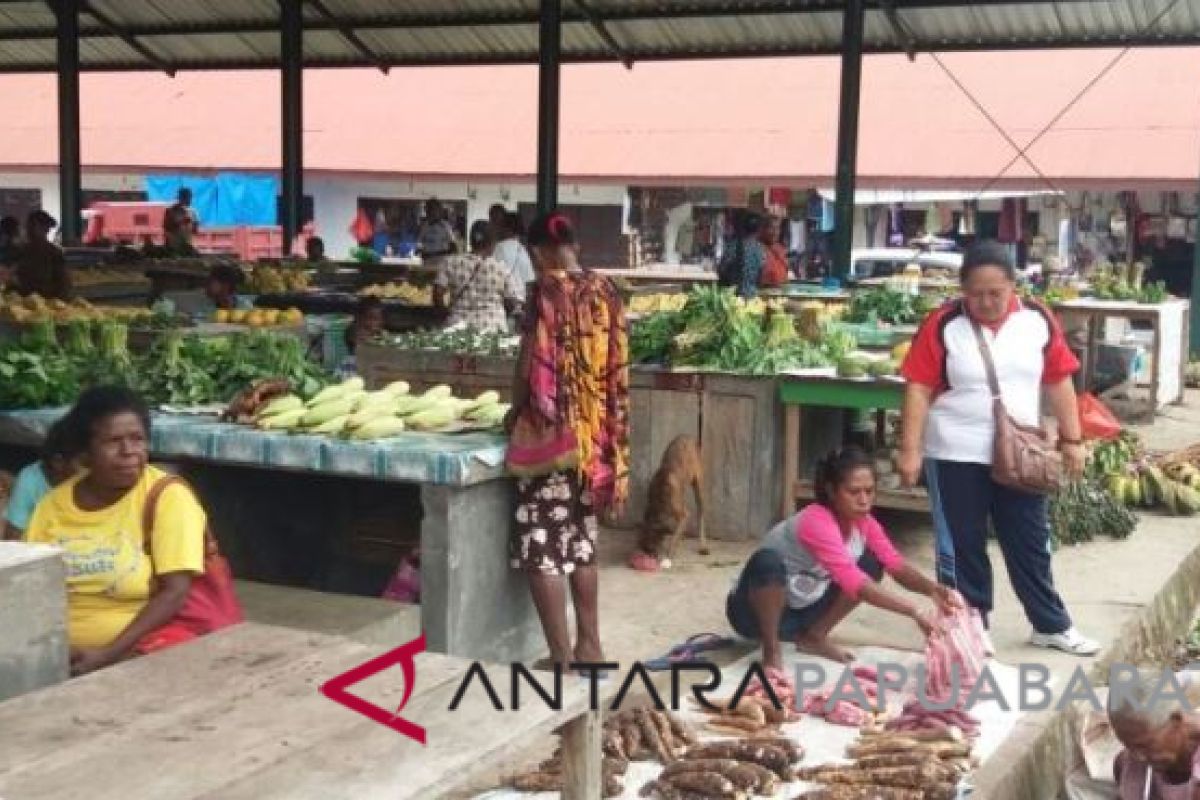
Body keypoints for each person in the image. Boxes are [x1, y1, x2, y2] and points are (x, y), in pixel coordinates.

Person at [897, 239, 1098, 657]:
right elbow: (918, 387)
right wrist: (910, 449)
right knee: (961, 544)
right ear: (962, 290)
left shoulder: (1038, 319)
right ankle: (971, 625)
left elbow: (1060, 379)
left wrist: (1073, 439)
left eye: (996, 292)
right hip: (954, 451)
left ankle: (1050, 623)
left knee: (1029, 539)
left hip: (1022, 451)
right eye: (976, 293)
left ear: (1014, 286)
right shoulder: (943, 323)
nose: (986, 302)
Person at [507, 210, 629, 667]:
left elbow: (529, 364)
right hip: (595, 434)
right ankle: (590, 647)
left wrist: (513, 408)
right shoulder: (606, 290)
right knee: (581, 538)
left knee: (542, 544)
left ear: (539, 251)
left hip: (552, 433)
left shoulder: (545, 293)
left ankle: (559, 655)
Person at [25, 387, 207, 675]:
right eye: (113, 441)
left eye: (137, 439)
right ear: (85, 452)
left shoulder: (166, 496)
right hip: (59, 656)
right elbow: (30, 590)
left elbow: (175, 592)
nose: (129, 452)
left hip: (141, 651)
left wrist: (109, 653)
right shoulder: (51, 506)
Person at [725, 447, 962, 669]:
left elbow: (896, 565)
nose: (864, 500)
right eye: (854, 492)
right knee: (767, 563)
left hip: (801, 614)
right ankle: (771, 653)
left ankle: (814, 637)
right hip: (751, 616)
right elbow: (855, 583)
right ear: (831, 490)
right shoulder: (815, 520)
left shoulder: (865, 524)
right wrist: (915, 611)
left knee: (872, 562)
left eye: (869, 491)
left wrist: (932, 590)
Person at [1108, 670, 1200, 799]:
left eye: (1144, 745)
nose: (1138, 756)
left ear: (1176, 720)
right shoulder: (1129, 763)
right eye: (1128, 745)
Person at [434, 220, 524, 333]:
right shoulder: (501, 268)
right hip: (492, 329)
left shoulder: (450, 262)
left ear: (471, 241)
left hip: (456, 328)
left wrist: (444, 313)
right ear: (493, 243)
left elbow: (437, 293)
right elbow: (512, 302)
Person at [2, 419, 81, 541]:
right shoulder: (30, 481)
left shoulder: (89, 480)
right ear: (58, 462)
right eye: (84, 462)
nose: (91, 467)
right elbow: (13, 536)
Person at [14, 210, 71, 300]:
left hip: (46, 302)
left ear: (44, 228)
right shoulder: (23, 250)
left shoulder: (53, 253)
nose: (28, 230)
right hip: (24, 303)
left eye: (31, 226)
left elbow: (64, 284)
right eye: (28, 226)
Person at [718, 212, 767, 298]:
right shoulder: (760, 249)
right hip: (751, 295)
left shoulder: (733, 246)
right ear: (758, 230)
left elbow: (721, 269)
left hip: (732, 295)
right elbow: (761, 274)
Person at [493, 211, 536, 287]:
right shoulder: (523, 250)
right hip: (520, 296)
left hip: (503, 295)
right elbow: (529, 279)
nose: (498, 230)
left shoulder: (499, 247)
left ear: (507, 228)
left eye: (500, 226)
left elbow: (492, 273)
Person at [418, 199, 457, 266]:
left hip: (443, 259)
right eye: (429, 210)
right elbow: (419, 243)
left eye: (434, 210)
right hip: (428, 259)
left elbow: (453, 245)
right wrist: (421, 252)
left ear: (439, 211)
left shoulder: (445, 226)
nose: (431, 212)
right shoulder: (424, 226)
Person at [163, 188, 199, 255]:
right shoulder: (171, 211)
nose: (190, 200)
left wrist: (194, 225)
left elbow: (195, 230)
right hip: (174, 246)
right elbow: (166, 227)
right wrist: (181, 222)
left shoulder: (193, 211)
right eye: (188, 197)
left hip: (187, 245)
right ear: (181, 198)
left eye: (190, 197)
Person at [759, 215, 790, 288]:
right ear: (762, 229)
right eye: (771, 228)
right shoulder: (757, 249)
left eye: (777, 228)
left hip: (780, 293)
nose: (775, 232)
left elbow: (785, 271)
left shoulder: (780, 249)